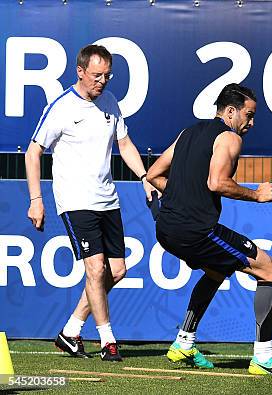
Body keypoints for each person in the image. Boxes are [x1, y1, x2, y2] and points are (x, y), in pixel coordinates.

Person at [146, 83, 272, 375]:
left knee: (217, 270)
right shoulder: (229, 138)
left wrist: (181, 196)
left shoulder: (187, 133)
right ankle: (263, 359)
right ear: (230, 111)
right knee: (271, 270)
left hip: (166, 228)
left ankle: (183, 343)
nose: (251, 123)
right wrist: (257, 194)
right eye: (249, 115)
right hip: (196, 229)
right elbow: (217, 183)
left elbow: (153, 174)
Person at [25, 44, 155, 361]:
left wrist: (144, 177)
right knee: (95, 269)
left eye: (107, 75)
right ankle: (108, 340)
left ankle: (71, 330)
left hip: (107, 199)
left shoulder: (110, 102)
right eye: (97, 75)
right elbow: (33, 152)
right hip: (74, 199)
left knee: (118, 270)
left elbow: (124, 144)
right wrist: (36, 200)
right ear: (80, 72)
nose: (102, 81)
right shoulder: (61, 107)